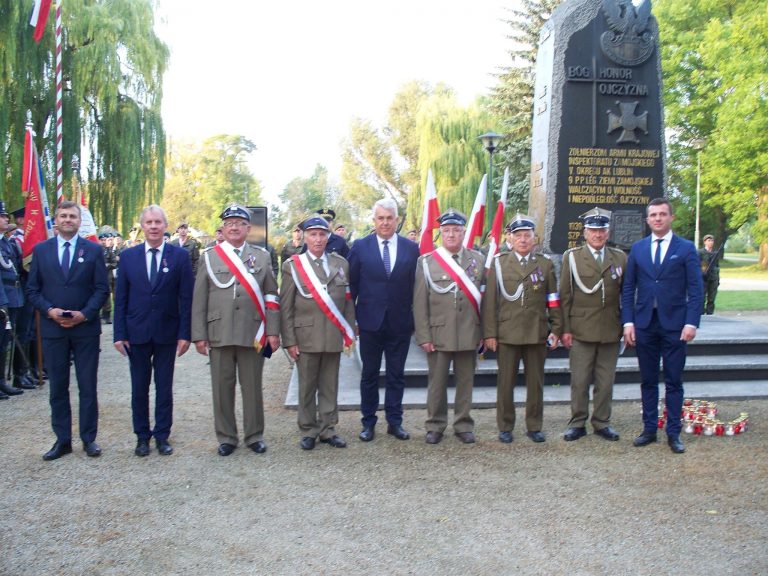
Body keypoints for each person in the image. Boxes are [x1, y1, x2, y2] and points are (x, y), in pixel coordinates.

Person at [191, 203, 280, 456]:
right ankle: (227, 437)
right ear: (223, 227)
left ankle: (254, 435)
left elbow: (271, 295)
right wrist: (199, 334)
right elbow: (199, 298)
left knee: (252, 387)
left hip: (253, 332)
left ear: (248, 228)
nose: (234, 227)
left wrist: (273, 331)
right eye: (229, 223)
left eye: (239, 223)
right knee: (221, 387)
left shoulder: (261, 256)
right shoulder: (209, 256)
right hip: (219, 331)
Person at [26, 200, 110, 460]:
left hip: (85, 329)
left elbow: (101, 289)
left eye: (72, 216)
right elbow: (32, 290)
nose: (67, 220)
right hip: (54, 329)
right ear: (56, 221)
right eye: (63, 216)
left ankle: (89, 439)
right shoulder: (41, 251)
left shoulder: (93, 251)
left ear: (78, 221)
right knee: (58, 388)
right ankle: (62, 440)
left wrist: (84, 314)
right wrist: (49, 310)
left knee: (87, 386)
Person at [622, 198, 702, 454]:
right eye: (653, 215)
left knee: (673, 380)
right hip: (645, 324)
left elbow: (696, 290)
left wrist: (691, 322)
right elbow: (628, 289)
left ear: (671, 218)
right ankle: (648, 429)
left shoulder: (686, 248)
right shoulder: (638, 249)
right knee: (647, 380)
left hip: (675, 325)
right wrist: (628, 322)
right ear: (647, 220)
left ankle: (674, 432)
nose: (657, 218)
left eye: (662, 214)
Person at [113, 205, 194, 457]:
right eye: (149, 222)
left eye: (158, 222)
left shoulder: (179, 257)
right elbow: (121, 299)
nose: (154, 226)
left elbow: (185, 298)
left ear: (165, 225)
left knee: (164, 387)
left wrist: (185, 334)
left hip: (167, 333)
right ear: (142, 226)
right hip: (136, 332)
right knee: (139, 388)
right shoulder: (128, 257)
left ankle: (162, 435)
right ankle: (141, 436)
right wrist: (119, 333)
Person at [482, 215, 562, 443]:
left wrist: (556, 328)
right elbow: (490, 303)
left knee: (535, 383)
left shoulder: (545, 264)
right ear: (510, 238)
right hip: (507, 333)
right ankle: (505, 426)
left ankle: (534, 425)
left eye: (527, 235)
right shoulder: (499, 263)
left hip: (536, 332)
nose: (523, 240)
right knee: (505, 383)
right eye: (518, 236)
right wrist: (490, 333)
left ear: (534, 239)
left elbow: (553, 299)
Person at [280, 216, 355, 450]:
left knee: (330, 384)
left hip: (333, 334)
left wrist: (349, 331)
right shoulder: (293, 265)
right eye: (313, 234)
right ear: (304, 236)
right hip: (306, 336)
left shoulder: (340, 264)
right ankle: (308, 429)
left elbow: (348, 301)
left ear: (328, 236)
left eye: (322, 234)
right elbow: (286, 306)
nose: (318, 239)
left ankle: (328, 428)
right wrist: (289, 340)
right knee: (307, 385)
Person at [348, 198, 419, 441]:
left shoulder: (411, 249)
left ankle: (394, 422)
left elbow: (416, 288)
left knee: (396, 375)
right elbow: (352, 287)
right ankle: (368, 423)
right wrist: (352, 321)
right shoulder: (360, 247)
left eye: (390, 218)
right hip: (369, 323)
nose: (385, 222)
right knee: (369, 374)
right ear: (374, 220)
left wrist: (415, 321)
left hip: (400, 323)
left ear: (397, 220)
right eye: (381, 218)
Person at [413, 209, 485, 444]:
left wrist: (484, 333)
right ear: (440, 233)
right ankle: (435, 424)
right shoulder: (426, 262)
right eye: (447, 231)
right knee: (437, 383)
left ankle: (463, 424)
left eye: (456, 230)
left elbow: (485, 299)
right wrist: (424, 335)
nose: (451, 234)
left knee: (466, 381)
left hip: (468, 331)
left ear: (464, 232)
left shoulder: (478, 260)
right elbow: (420, 302)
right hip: (439, 332)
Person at [560, 207, 627, 442]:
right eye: (593, 230)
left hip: (610, 328)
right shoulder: (573, 257)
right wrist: (565, 329)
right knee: (579, 381)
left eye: (602, 230)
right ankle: (577, 422)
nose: (598, 235)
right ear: (585, 232)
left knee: (605, 381)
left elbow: (626, 295)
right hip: (581, 329)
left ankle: (601, 422)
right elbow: (565, 295)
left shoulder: (619, 258)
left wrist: (627, 325)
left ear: (608, 233)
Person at [0, 202, 30, 398]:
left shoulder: (6, 242)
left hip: (15, 296)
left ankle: (4, 380)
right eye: (2, 216)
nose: (6, 219)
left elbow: (16, 270)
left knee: (6, 341)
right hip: (4, 298)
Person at [698, 234, 720, 315]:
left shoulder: (715, 253)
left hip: (713, 278)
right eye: (709, 240)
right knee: (702, 298)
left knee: (711, 298)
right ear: (704, 242)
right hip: (703, 278)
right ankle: (701, 314)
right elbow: (697, 265)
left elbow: (717, 267)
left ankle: (710, 314)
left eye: (712, 240)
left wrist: (717, 279)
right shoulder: (700, 252)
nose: (711, 242)